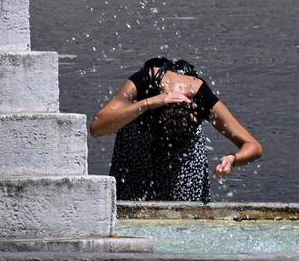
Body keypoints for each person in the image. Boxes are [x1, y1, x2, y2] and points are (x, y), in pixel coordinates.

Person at [90, 57, 262, 202]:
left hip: (183, 165)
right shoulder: (145, 82)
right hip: (137, 156)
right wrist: (147, 104)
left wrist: (232, 159)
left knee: (183, 221)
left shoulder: (201, 96)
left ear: (192, 117)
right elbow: (97, 126)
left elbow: (253, 146)